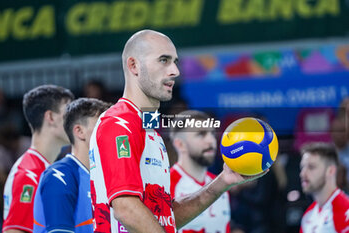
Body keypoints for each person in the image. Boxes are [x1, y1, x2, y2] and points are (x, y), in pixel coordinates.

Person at [89, 29, 265, 233]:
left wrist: (222, 182)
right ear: (134, 65)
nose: (175, 71)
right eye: (163, 60)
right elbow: (126, 208)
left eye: (175, 61)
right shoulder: (119, 123)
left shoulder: (148, 129)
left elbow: (165, 219)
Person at [2, 85, 74, 233]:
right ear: (51, 117)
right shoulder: (29, 173)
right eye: (68, 113)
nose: (74, 121)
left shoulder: (44, 168)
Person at [33, 98, 111, 233]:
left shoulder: (105, 176)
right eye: (103, 124)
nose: (112, 131)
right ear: (79, 131)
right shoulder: (59, 175)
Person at [170, 110, 231, 233]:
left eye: (212, 133)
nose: (211, 140)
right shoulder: (164, 184)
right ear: (180, 144)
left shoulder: (222, 182)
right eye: (201, 134)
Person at [299, 142, 349, 233]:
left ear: (330, 171)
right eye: (302, 167)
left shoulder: (345, 211)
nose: (303, 174)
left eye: (311, 167)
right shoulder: (308, 215)